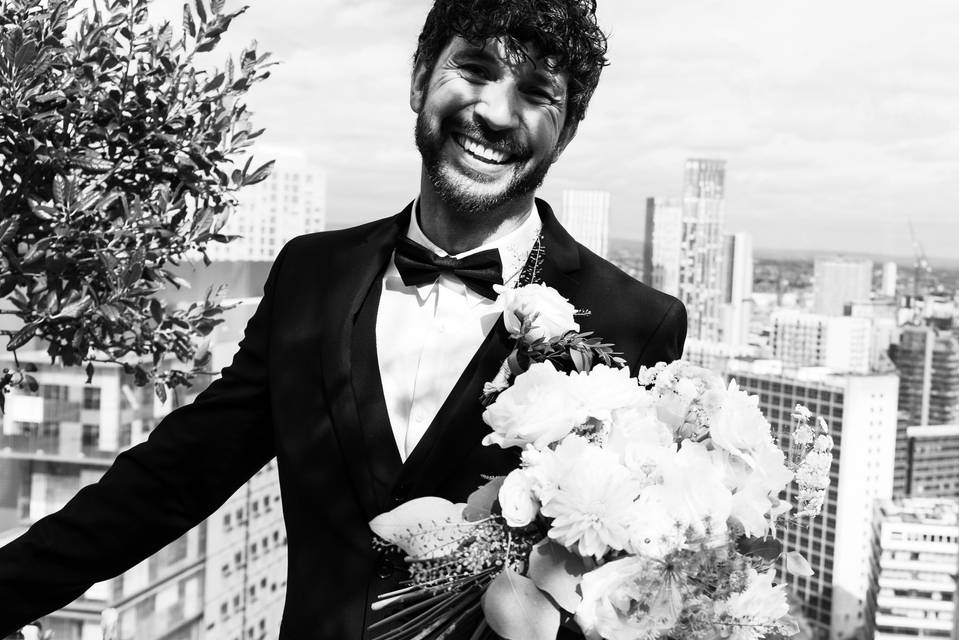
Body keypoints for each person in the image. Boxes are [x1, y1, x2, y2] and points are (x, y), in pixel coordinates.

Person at [0, 0, 687, 638]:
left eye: (537, 95)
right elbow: (173, 480)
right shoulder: (311, 275)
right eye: (474, 70)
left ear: (564, 133)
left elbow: (632, 587)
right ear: (421, 79)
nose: (496, 114)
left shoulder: (637, 325)